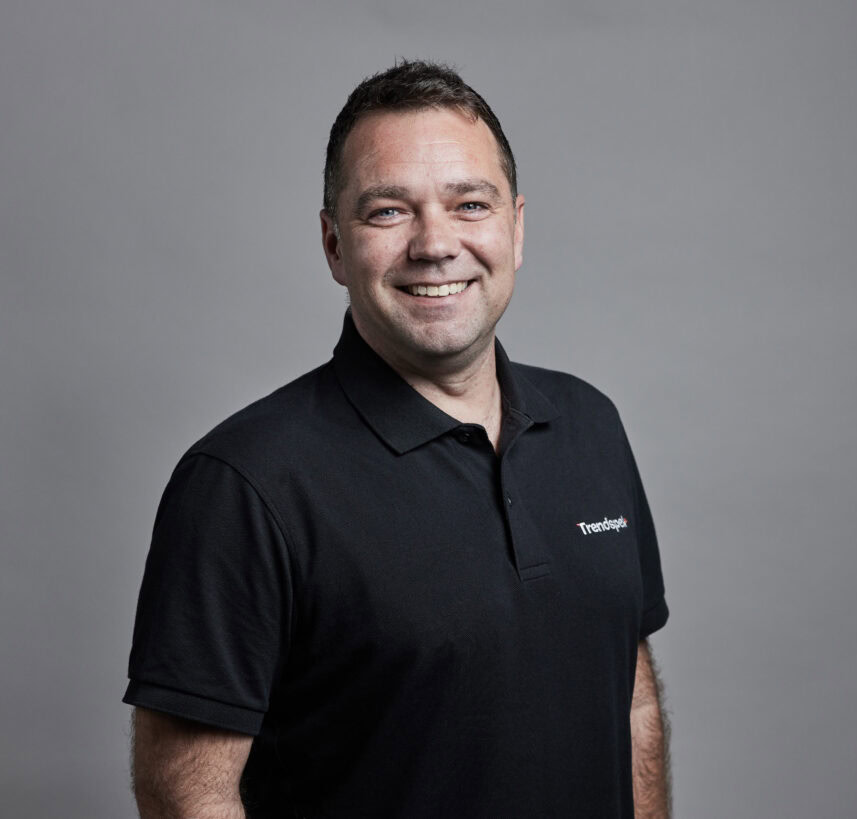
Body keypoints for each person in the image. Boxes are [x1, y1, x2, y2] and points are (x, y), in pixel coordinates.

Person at [124, 60, 670, 818]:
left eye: (469, 204)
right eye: (388, 211)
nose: (435, 243)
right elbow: (188, 793)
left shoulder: (590, 425)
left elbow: (632, 702)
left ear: (515, 228)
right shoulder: (245, 483)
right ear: (334, 245)